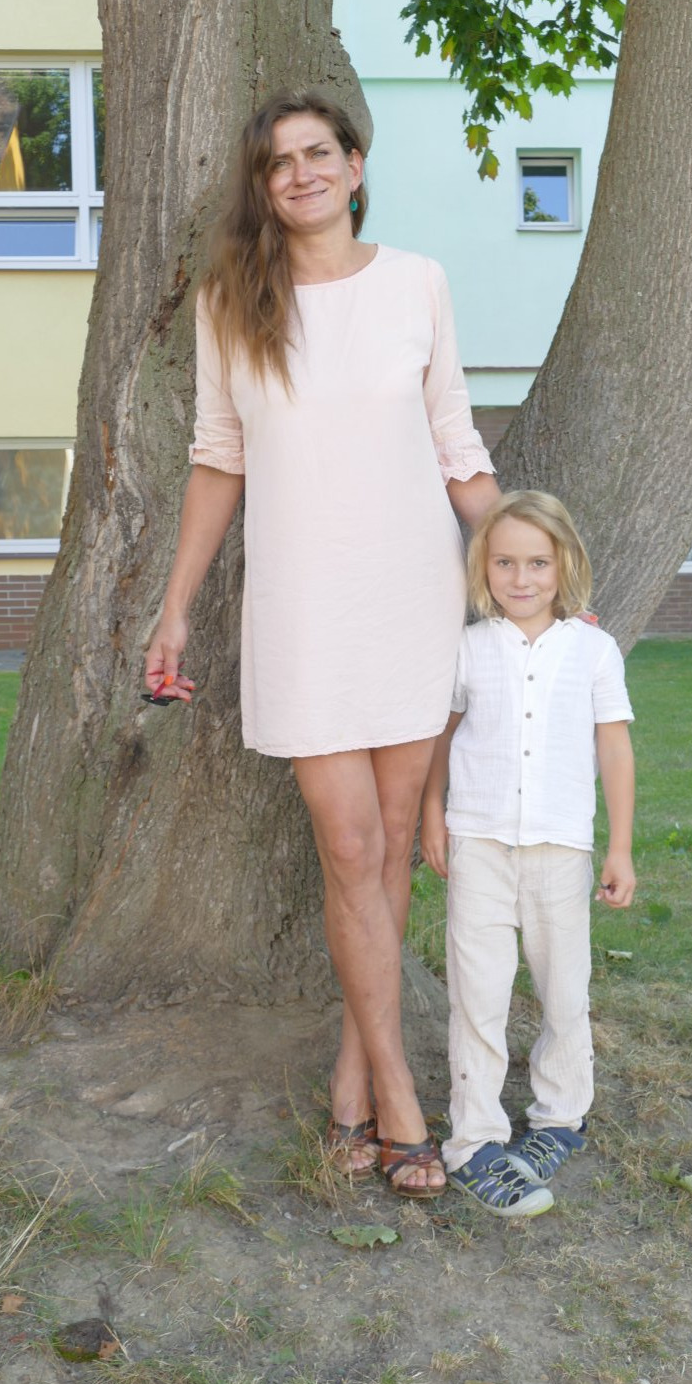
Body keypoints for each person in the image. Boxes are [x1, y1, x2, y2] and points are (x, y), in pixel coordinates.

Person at [144, 90, 499, 1198]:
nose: (299, 173)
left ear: (355, 167)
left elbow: (455, 442)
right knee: (348, 849)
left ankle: (354, 1082)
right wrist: (175, 606)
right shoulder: (232, 302)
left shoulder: (418, 283)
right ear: (263, 186)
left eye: (317, 153)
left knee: (391, 851)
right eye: (278, 161)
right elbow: (218, 457)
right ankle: (401, 1096)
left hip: (411, 595)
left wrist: (524, 562)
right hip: (302, 608)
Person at [419, 490, 636, 1216]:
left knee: (564, 990)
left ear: (565, 564)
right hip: (478, 841)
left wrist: (620, 847)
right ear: (484, 567)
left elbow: (615, 748)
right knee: (477, 995)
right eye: (505, 562)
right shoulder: (469, 647)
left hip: (560, 849)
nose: (522, 578)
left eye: (538, 563)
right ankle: (474, 1142)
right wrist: (431, 812)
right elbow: (443, 736)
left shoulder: (594, 650)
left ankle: (560, 1119)